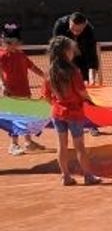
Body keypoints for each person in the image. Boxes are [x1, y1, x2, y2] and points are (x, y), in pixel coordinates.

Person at [43, 36, 101, 185]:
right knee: (79, 146)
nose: (73, 52)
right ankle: (88, 176)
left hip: (57, 113)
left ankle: (65, 176)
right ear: (65, 52)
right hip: (74, 113)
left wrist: (56, 104)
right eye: (70, 49)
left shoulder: (49, 72)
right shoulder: (73, 71)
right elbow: (81, 91)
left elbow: (46, 96)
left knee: (62, 145)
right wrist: (93, 100)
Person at [1, 23, 47, 155]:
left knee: (26, 118)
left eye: (11, 42)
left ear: (19, 42)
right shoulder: (2, 55)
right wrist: (3, 85)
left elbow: (32, 68)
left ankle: (28, 143)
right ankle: (13, 145)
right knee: (15, 119)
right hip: (11, 93)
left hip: (25, 92)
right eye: (6, 42)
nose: (8, 45)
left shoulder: (21, 55)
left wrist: (45, 76)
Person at [51, 12, 101, 85]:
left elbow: (91, 57)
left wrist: (91, 79)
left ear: (84, 25)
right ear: (69, 22)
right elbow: (56, 51)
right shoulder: (60, 26)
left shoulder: (89, 31)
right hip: (64, 54)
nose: (75, 33)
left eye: (79, 30)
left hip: (82, 54)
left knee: (86, 81)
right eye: (72, 29)